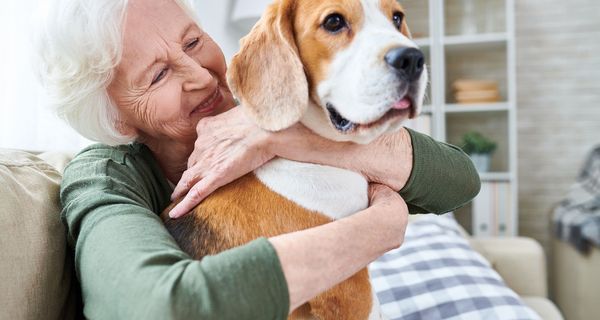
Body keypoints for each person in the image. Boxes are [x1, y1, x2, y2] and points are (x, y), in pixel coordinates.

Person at [35, 0, 480, 318]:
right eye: (158, 74)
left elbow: (459, 182)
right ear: (117, 119)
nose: (199, 76)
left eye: (192, 42)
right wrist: (379, 229)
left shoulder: (271, 107)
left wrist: (280, 138)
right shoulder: (103, 177)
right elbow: (160, 306)